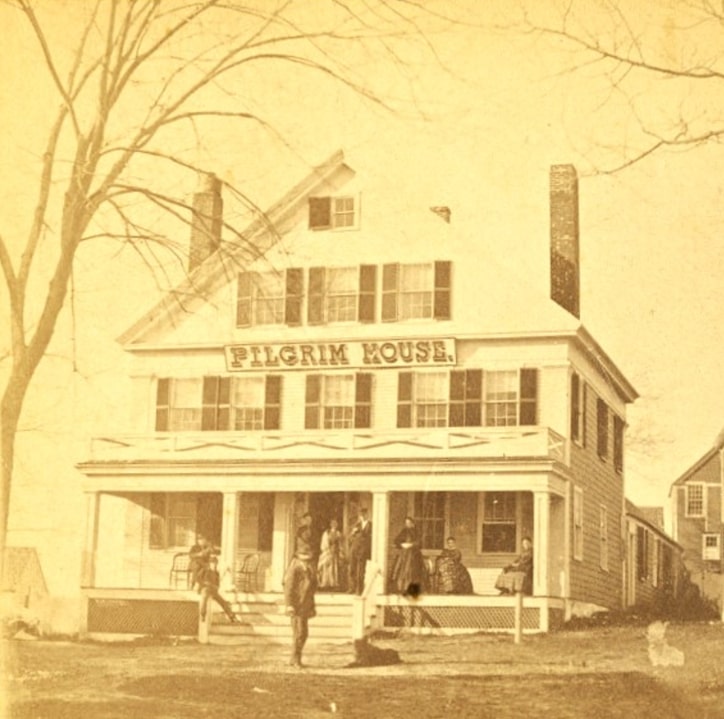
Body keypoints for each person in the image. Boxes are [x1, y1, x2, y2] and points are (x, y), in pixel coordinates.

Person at [284, 550, 317, 668]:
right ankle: (296, 659)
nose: (307, 562)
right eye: (304, 560)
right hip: (296, 606)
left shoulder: (309, 571)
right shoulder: (294, 570)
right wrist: (289, 605)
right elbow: (289, 588)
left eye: (308, 560)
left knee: (303, 634)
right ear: (299, 560)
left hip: (305, 606)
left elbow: (311, 589)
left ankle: (294, 658)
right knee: (299, 633)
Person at [390, 517, 427, 597]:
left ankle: (413, 589)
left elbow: (420, 542)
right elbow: (396, 541)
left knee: (413, 571)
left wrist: (412, 545)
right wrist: (402, 544)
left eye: (409, 523)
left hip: (415, 555)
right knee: (402, 570)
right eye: (406, 523)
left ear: (413, 524)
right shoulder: (404, 531)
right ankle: (403, 588)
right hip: (405, 554)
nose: (407, 525)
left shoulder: (417, 532)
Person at [198, 555, 239, 623]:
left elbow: (217, 584)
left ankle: (231, 616)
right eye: (212, 563)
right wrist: (204, 584)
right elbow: (198, 579)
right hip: (206, 589)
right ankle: (203, 614)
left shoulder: (216, 573)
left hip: (213, 591)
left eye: (215, 563)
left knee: (223, 602)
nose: (213, 565)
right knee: (204, 598)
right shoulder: (205, 570)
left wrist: (216, 587)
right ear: (209, 564)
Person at [347, 508, 372, 595]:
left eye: (364, 514)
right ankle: (352, 588)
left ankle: (359, 590)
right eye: (361, 515)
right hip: (354, 549)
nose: (363, 516)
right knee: (352, 569)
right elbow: (350, 537)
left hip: (363, 550)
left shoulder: (370, 525)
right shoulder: (357, 525)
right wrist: (353, 533)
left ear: (367, 515)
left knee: (360, 571)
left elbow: (369, 538)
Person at [317, 518, 343, 590]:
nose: (334, 525)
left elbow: (340, 544)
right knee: (326, 567)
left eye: (335, 524)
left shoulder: (338, 533)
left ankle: (333, 584)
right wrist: (326, 550)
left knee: (334, 568)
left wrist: (340, 551)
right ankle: (325, 584)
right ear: (330, 525)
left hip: (335, 552)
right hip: (328, 552)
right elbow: (324, 543)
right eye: (333, 524)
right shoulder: (326, 533)